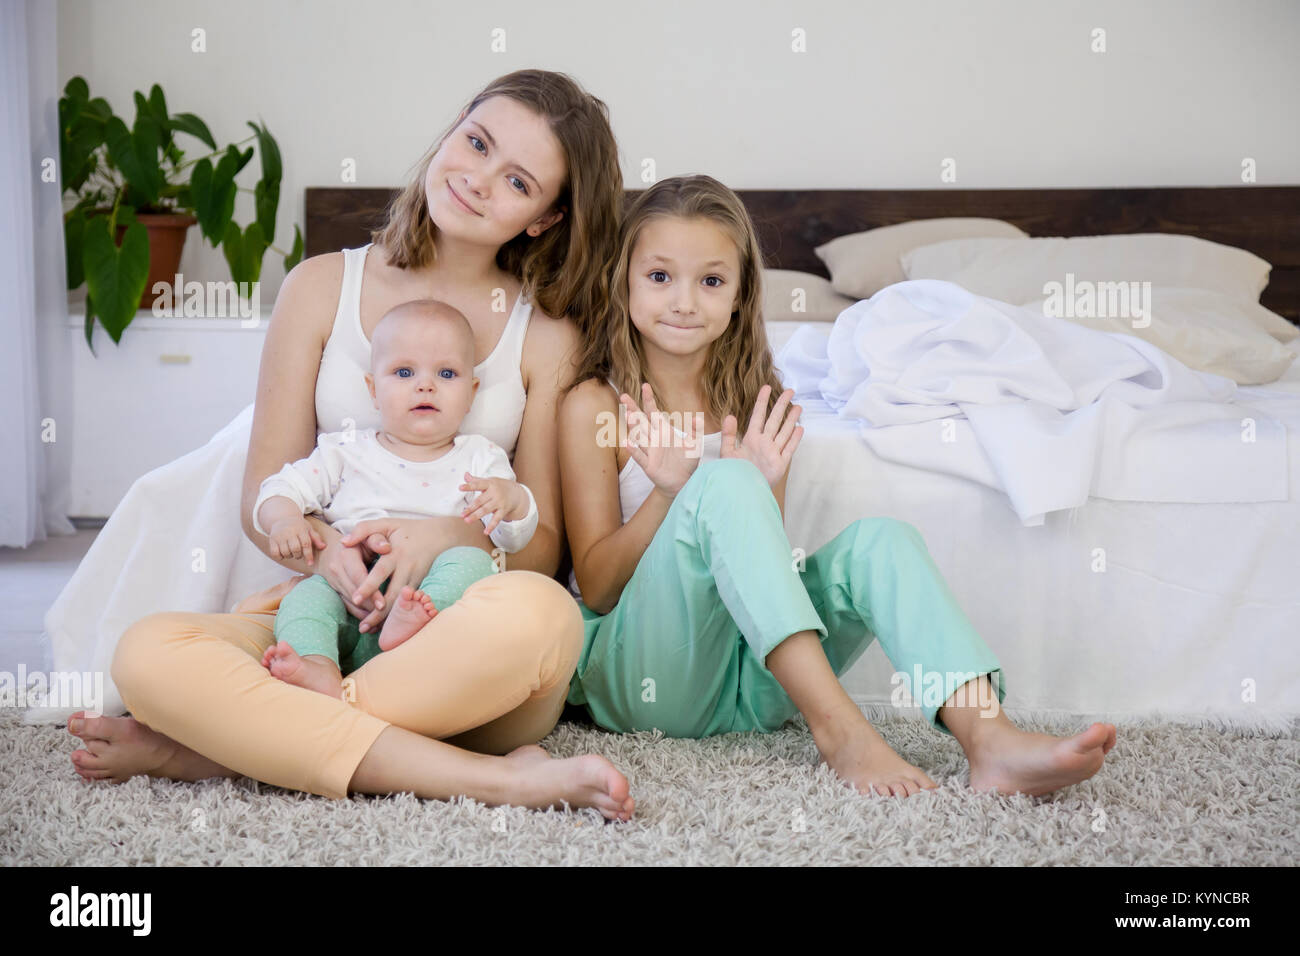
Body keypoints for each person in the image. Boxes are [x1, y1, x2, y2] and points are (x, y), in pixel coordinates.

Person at [65, 70, 635, 820]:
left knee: (544, 618)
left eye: (517, 180)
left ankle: (213, 747)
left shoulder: (546, 334)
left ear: (544, 217)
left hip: (461, 643)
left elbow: (543, 548)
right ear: (454, 127)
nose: (477, 179)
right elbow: (263, 491)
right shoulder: (320, 286)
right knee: (147, 654)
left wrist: (444, 538)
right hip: (331, 610)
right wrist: (324, 548)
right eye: (476, 143)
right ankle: (497, 781)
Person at [558, 174, 1118, 799]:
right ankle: (842, 734)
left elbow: (752, 571)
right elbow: (601, 588)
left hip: (745, 690)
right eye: (660, 277)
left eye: (711, 280)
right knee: (723, 484)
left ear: (741, 295)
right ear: (624, 281)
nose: (685, 301)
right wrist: (669, 492)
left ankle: (992, 742)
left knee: (881, 540)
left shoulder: (750, 403)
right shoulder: (594, 404)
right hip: (647, 683)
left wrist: (765, 487)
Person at [256, 299, 539, 699]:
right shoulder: (345, 451)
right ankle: (317, 664)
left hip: (428, 607)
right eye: (404, 372)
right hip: (350, 594)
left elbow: (512, 538)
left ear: (471, 393)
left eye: (447, 373)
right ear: (373, 389)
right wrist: (285, 520)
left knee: (474, 562)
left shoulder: (480, 458)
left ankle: (414, 622)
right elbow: (277, 489)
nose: (426, 385)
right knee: (306, 597)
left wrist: (512, 500)